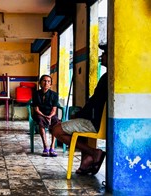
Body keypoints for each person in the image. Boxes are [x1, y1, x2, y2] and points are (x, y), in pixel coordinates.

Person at [51, 44, 108, 175]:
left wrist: (80, 114)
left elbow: (95, 102)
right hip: (98, 120)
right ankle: (87, 161)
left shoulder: (106, 78)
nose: (101, 56)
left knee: (56, 130)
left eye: (104, 54)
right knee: (75, 127)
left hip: (94, 122)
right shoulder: (108, 77)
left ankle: (94, 152)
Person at [32, 74, 60, 157]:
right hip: (39, 114)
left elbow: (54, 110)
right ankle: (45, 146)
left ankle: (52, 147)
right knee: (40, 121)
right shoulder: (36, 94)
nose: (46, 83)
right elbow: (36, 109)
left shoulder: (54, 94)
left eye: (48, 81)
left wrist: (50, 116)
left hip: (51, 114)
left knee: (55, 122)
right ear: (40, 83)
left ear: (50, 84)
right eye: (44, 81)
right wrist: (44, 116)